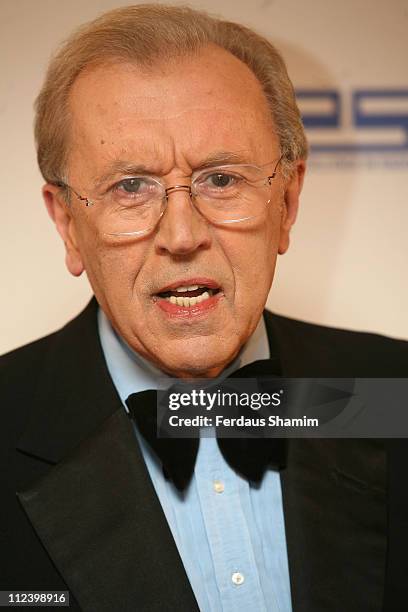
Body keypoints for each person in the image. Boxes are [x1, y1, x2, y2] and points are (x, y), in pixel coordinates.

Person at [0, 5, 407, 611]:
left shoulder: (392, 393)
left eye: (221, 179)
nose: (182, 235)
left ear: (287, 202)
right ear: (67, 223)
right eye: (130, 187)